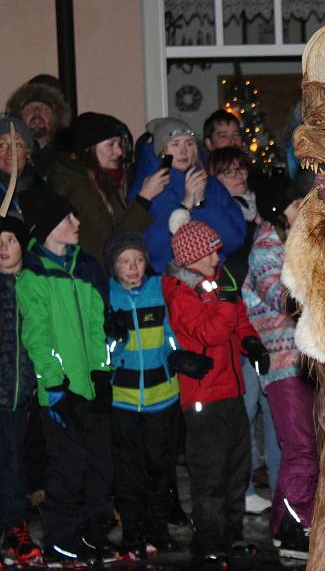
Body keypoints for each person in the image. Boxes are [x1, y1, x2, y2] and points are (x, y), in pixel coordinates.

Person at [15, 191, 116, 566]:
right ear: (47, 230)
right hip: (60, 393)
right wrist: (55, 384)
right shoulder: (35, 276)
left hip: (90, 388)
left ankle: (91, 532)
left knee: (99, 466)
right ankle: (62, 535)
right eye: (67, 219)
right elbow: (38, 337)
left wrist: (102, 374)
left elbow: (97, 327)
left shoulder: (85, 267)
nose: (76, 223)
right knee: (67, 468)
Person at [162, 220, 268, 563]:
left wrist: (251, 341)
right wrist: (225, 302)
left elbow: (238, 320)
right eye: (210, 253)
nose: (216, 258)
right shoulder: (182, 293)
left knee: (237, 469)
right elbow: (210, 332)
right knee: (210, 473)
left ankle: (232, 535)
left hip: (230, 390)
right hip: (204, 397)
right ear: (191, 258)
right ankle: (208, 540)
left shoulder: (217, 283)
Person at [242, 177, 317, 559]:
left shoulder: (295, 243)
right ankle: (292, 525)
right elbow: (284, 297)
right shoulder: (265, 251)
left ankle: (286, 524)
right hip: (283, 362)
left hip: (307, 361)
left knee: (307, 446)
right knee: (300, 447)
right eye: (295, 204)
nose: (303, 209)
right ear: (277, 210)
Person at [207, 146, 278, 515]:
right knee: (245, 405)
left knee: (272, 406)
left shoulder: (259, 211)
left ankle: (282, 488)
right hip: (239, 320)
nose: (239, 177)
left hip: (269, 324)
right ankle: (244, 484)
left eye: (241, 170)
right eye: (229, 172)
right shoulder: (218, 215)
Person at [103, 232, 182, 558]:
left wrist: (177, 356)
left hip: (161, 397)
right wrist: (113, 337)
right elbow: (104, 354)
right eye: (124, 262)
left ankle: (158, 529)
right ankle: (133, 533)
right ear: (114, 267)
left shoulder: (158, 290)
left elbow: (172, 336)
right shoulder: (108, 297)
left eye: (137, 260)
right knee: (129, 471)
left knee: (159, 468)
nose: (133, 268)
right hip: (124, 400)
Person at [48, 112, 168, 266]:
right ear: (88, 149)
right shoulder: (76, 186)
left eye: (119, 144)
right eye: (111, 144)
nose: (119, 151)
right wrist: (144, 197)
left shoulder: (109, 180)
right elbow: (110, 244)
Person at [131, 118, 246, 273]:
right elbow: (155, 251)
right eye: (175, 144)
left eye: (189, 143)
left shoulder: (211, 185)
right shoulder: (148, 188)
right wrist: (185, 206)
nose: (184, 151)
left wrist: (201, 205)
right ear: (161, 151)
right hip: (169, 284)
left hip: (215, 279)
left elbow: (234, 240)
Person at [0, 216, 43, 567]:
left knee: (15, 462)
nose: (3, 248)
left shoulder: (34, 285)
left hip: (19, 392)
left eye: (11, 240)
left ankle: (15, 528)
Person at [5, 76, 71, 181]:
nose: (36, 113)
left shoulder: (71, 158)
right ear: (19, 116)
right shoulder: (6, 154)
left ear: (56, 117)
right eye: (29, 109)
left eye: (44, 109)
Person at [0, 116, 44, 215]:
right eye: (2, 145)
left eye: (18, 145)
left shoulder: (40, 190)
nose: (11, 152)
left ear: (27, 154)